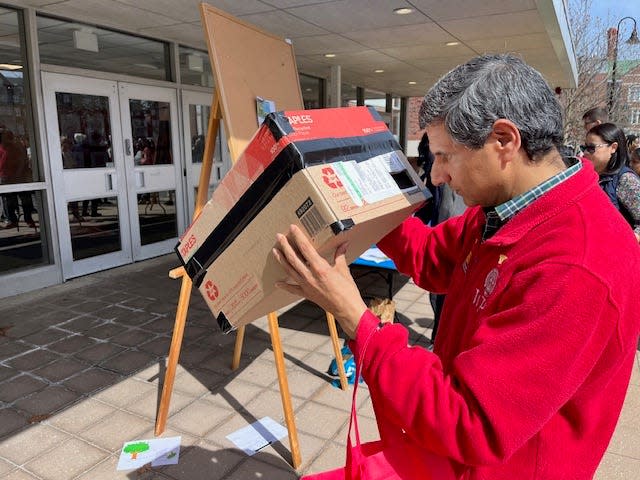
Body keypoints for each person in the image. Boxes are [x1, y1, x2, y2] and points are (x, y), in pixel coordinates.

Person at [272, 54, 640, 479]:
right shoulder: (507, 211)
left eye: (446, 156)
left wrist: (357, 320)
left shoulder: (576, 264)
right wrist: (361, 205)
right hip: (448, 457)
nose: (437, 176)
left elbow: (471, 421)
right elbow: (431, 256)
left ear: (504, 140)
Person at [414, 132, 465, 344]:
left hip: (457, 247)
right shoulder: (437, 174)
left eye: (441, 156)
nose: (435, 176)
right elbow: (430, 202)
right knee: (437, 298)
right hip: (440, 242)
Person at [583, 122, 640, 242]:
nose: (585, 153)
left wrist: (624, 242)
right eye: (584, 148)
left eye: (591, 148)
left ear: (613, 148)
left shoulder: (625, 179)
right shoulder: (588, 177)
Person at [0, 130, 35, 229]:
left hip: (19, 176)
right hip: (5, 177)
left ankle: (28, 219)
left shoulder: (17, 146)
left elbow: (22, 160)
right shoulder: (2, 147)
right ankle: (13, 220)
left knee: (25, 199)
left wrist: (19, 172)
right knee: (9, 201)